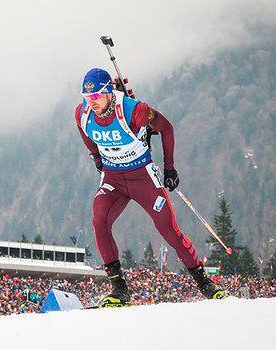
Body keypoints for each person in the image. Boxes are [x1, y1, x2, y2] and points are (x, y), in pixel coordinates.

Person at [75, 68, 224, 307]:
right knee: (99, 220)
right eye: (86, 97)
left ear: (109, 93)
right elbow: (85, 134)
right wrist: (96, 158)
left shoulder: (136, 111)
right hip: (113, 178)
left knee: (169, 231)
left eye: (96, 98)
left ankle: (205, 283)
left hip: (142, 176)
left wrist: (170, 169)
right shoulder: (82, 114)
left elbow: (167, 128)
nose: (90, 103)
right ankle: (119, 289)